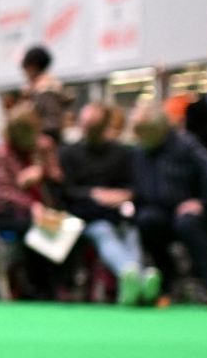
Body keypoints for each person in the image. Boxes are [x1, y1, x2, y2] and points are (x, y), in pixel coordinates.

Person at [130, 102, 207, 302]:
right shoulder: (140, 150)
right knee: (146, 220)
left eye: (143, 132)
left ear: (159, 130)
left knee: (187, 224)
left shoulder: (185, 143)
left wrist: (203, 202)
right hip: (158, 211)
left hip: (189, 211)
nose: (138, 138)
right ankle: (168, 281)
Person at [60, 102, 155, 305]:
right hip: (88, 217)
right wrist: (94, 193)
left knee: (132, 233)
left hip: (120, 214)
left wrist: (124, 194)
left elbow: (134, 186)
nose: (88, 129)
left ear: (104, 126)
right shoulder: (68, 153)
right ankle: (133, 274)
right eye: (85, 124)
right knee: (104, 232)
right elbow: (67, 191)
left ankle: (133, 285)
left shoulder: (121, 153)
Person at [0, 109, 70, 300]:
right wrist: (31, 205)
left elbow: (59, 179)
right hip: (12, 214)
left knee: (66, 229)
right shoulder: (2, 152)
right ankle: (37, 288)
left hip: (48, 211)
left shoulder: (44, 147)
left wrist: (41, 171)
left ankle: (60, 285)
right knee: (35, 230)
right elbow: (1, 192)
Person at [17, 46, 70, 140]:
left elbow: (52, 123)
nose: (24, 72)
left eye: (25, 67)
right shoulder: (35, 88)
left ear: (33, 66)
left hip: (46, 143)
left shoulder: (46, 90)